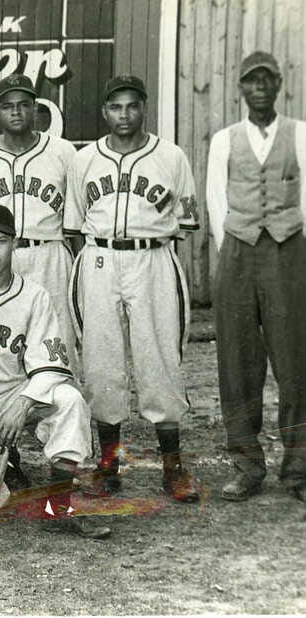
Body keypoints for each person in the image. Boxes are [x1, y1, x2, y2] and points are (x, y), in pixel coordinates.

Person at [0, 205, 111, 539]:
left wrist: (25, 401)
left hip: (12, 395)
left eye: (0, 241)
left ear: (13, 243)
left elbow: (52, 363)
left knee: (69, 400)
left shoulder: (34, 295)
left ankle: (58, 507)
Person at [65, 75, 202, 502]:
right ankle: (109, 464)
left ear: (144, 108)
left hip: (152, 258)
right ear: (104, 112)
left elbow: (187, 220)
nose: (124, 115)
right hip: (100, 257)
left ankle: (172, 466)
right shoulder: (84, 159)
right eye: (115, 107)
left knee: (158, 357)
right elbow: (75, 224)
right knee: (102, 361)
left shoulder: (171, 156)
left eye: (132, 106)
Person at [206, 51, 306, 503]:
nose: (260, 88)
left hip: (288, 254)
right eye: (251, 81)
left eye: (267, 80)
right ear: (241, 88)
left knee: (295, 362)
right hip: (239, 254)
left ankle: (299, 469)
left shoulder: (300, 134)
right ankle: (246, 466)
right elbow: (215, 201)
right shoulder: (225, 140)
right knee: (238, 365)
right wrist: (233, 248)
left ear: (279, 85)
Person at [0, 74, 79, 368]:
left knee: (58, 339)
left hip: (50, 254)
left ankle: (61, 409)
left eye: (24, 104)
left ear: (36, 109)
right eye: (8, 106)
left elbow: (77, 217)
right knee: (3, 340)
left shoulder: (63, 151)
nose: (16, 112)